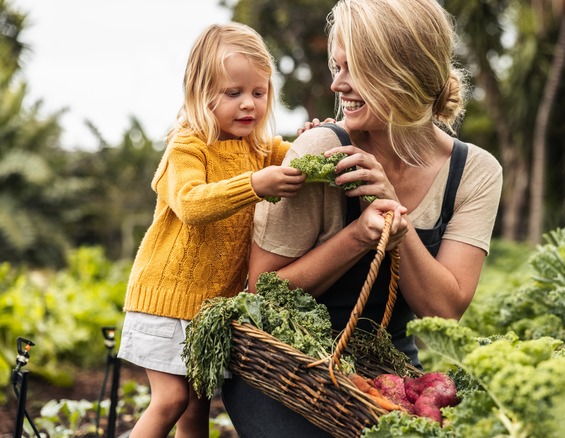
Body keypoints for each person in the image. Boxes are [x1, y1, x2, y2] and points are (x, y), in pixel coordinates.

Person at [222, 0, 503, 435]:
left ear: (401, 69)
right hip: (287, 369)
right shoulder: (320, 150)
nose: (337, 85)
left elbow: (444, 313)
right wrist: (357, 235)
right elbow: (262, 292)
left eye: (352, 69)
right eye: (336, 67)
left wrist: (394, 220)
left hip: (385, 372)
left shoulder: (474, 172)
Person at [117, 22, 305, 438]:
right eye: (233, 93)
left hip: (207, 312)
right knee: (171, 400)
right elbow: (191, 203)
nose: (248, 105)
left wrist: (316, 139)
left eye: (258, 93)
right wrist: (255, 185)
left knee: (196, 410)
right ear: (201, 94)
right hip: (164, 300)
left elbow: (303, 159)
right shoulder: (188, 145)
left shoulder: (263, 149)